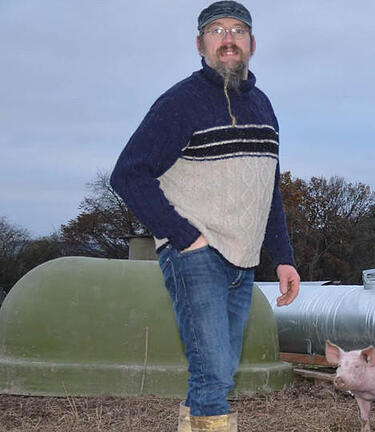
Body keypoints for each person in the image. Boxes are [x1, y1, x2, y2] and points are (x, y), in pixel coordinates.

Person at [110, 2, 300, 431]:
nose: (228, 39)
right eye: (216, 31)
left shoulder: (263, 108)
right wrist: (183, 236)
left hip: (244, 256)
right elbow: (128, 174)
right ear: (200, 45)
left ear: (252, 43)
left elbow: (266, 189)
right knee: (214, 370)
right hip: (196, 255)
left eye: (237, 30)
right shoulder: (181, 103)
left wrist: (283, 257)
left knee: (216, 368)